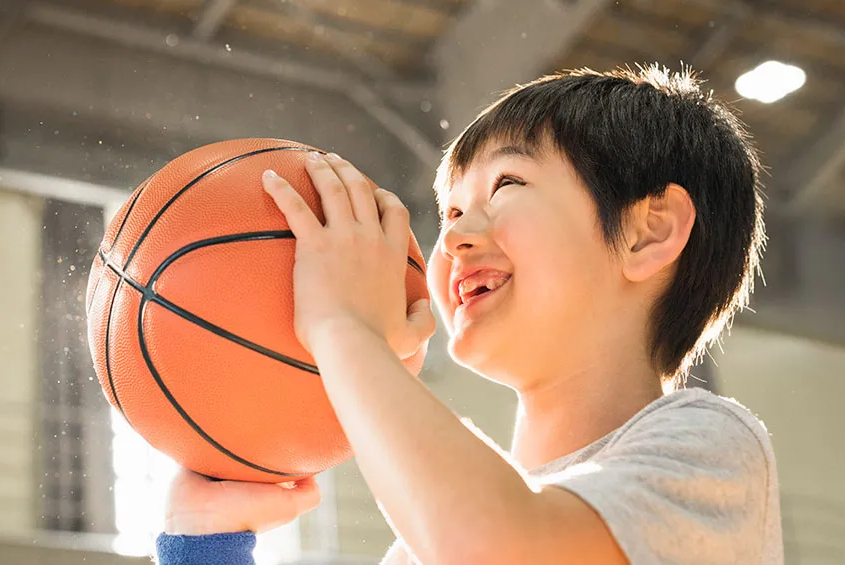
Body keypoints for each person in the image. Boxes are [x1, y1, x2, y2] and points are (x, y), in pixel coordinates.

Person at [156, 66, 782, 565]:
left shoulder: (708, 447)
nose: (454, 238)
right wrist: (206, 545)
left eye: (507, 186)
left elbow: (501, 548)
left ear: (650, 233)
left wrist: (344, 329)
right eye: (450, 214)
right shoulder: (420, 546)